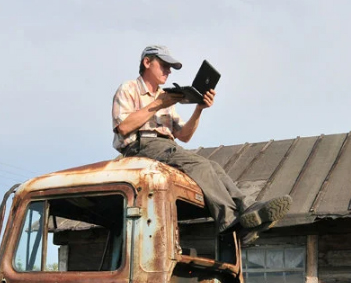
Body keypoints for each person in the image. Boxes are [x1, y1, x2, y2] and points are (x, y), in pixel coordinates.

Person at [112, 45, 290, 243]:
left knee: (213, 166)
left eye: (170, 67)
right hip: (140, 146)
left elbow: (184, 135)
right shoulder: (129, 88)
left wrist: (199, 109)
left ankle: (246, 209)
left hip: (166, 147)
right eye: (164, 65)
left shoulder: (165, 97)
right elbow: (124, 127)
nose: (168, 71)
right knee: (201, 165)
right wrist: (159, 104)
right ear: (147, 62)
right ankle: (231, 223)